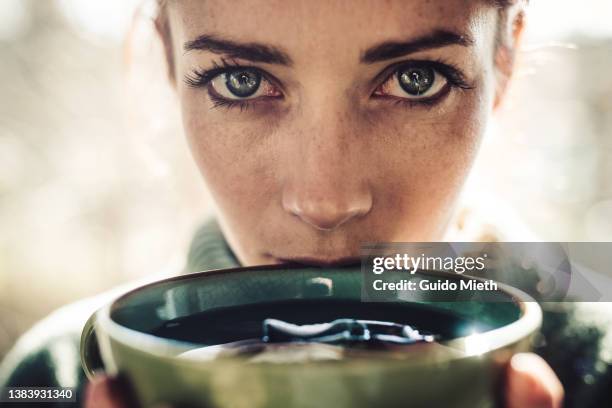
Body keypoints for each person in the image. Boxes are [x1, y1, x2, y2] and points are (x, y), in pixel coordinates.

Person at [0, 0, 565, 407]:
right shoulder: (51, 380)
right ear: (169, 65)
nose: (325, 201)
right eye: (241, 82)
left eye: (415, 80)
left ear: (504, 62)